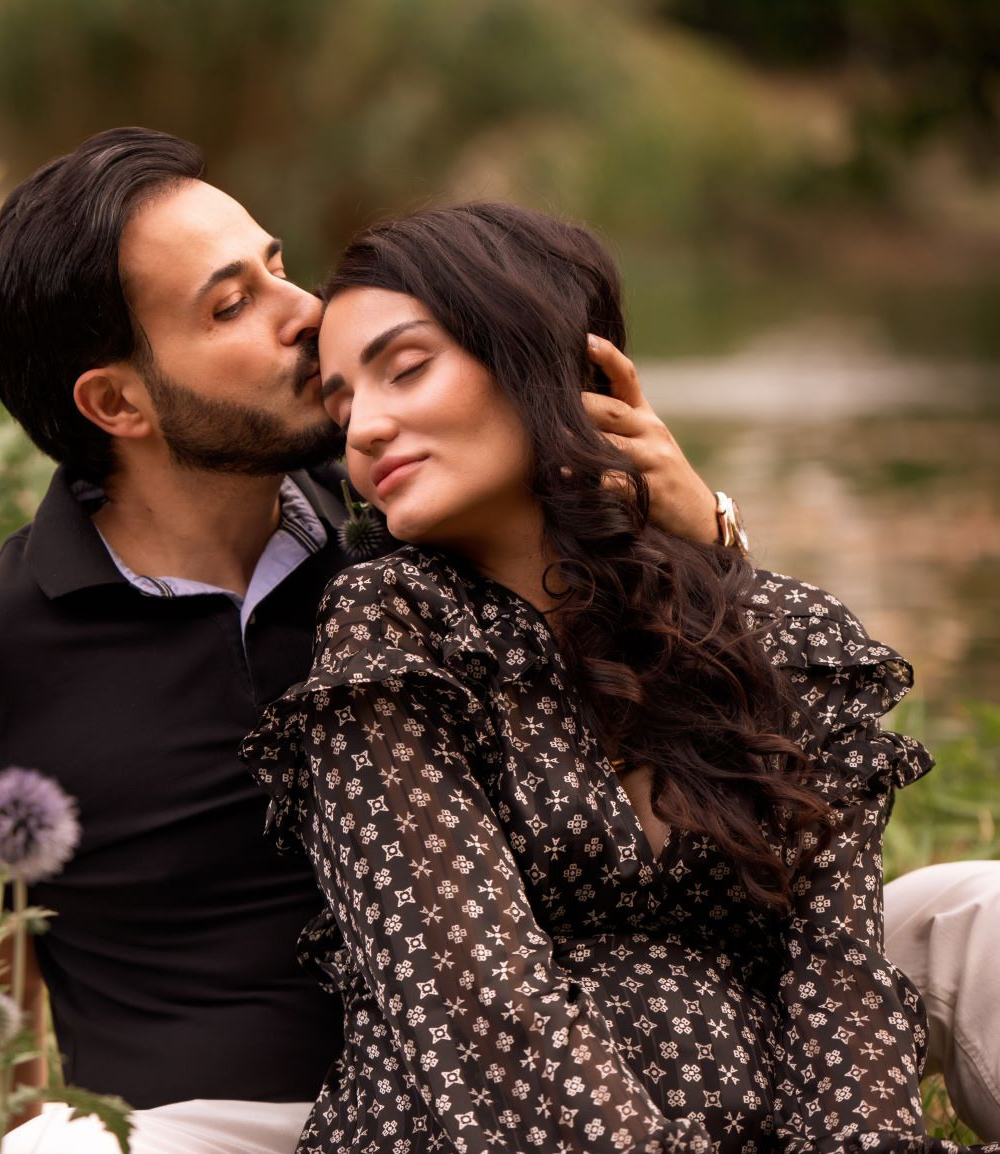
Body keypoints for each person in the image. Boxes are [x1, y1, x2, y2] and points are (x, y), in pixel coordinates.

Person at [0, 128, 729, 1150]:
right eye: (232, 304)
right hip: (213, 1126)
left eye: (277, 266)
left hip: (529, 1073)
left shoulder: (407, 518)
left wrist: (710, 535)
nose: (309, 317)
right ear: (117, 401)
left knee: (971, 911)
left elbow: (695, 723)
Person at [241, 201, 1000, 1153]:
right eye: (343, 402)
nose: (365, 429)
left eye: (406, 367)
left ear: (550, 358)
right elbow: (478, 1005)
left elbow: (838, 986)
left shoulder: (787, 634)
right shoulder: (393, 635)